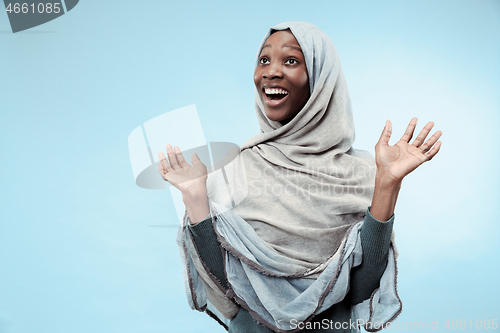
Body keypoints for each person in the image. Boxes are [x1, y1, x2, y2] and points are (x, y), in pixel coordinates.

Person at [157, 22, 442, 332]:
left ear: (320, 80)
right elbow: (226, 287)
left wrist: (387, 183)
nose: (270, 72)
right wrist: (196, 196)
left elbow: (361, 289)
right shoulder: (236, 169)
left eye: (290, 61)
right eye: (264, 60)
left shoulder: (361, 173)